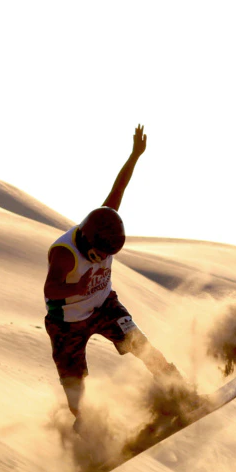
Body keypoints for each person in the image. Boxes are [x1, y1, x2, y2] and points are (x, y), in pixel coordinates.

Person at [43, 125, 186, 430]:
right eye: (98, 254)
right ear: (87, 241)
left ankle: (180, 393)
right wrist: (76, 286)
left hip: (104, 306)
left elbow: (119, 188)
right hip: (67, 324)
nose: (101, 260)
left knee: (142, 346)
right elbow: (50, 288)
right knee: (75, 384)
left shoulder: (103, 221)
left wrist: (135, 155)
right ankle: (90, 434)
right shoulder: (65, 253)